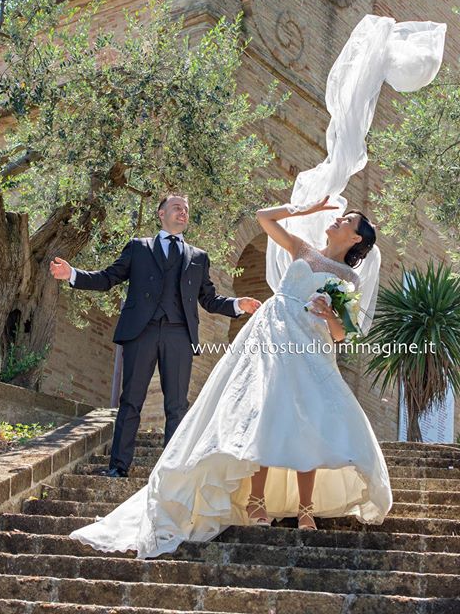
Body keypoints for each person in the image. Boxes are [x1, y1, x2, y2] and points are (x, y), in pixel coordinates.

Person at [68, 194, 393, 558]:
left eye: (346, 221)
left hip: (309, 346)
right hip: (271, 333)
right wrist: (305, 209)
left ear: (356, 239)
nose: (337, 221)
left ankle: (306, 508)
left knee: (309, 420)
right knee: (263, 411)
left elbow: (340, 334)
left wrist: (327, 314)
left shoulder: (348, 277)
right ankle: (255, 500)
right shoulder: (301, 247)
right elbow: (263, 217)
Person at [50, 193, 261, 477]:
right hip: (141, 332)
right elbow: (108, 277)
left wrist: (238, 304)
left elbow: (208, 300)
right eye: (177, 208)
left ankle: (171, 473)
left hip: (179, 336)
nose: (183, 213)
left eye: (186, 209)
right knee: (131, 400)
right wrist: (73, 274)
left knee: (176, 405)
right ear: (161, 214)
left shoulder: (199, 257)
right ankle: (118, 467)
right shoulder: (138, 248)